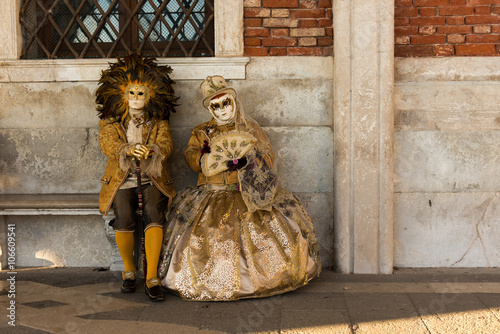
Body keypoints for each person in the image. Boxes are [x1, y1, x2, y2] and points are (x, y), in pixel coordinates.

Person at [158, 75, 321, 301]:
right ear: (210, 109)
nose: (223, 109)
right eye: (216, 105)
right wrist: (206, 159)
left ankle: (258, 280)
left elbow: (268, 156)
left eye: (227, 102)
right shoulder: (201, 132)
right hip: (211, 192)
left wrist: (248, 161)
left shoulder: (250, 128)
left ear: (234, 102)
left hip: (244, 191)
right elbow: (190, 156)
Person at [96, 52, 178, 301]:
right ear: (121, 94)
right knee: (124, 216)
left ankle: (152, 276)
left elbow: (167, 143)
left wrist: (152, 150)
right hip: (122, 178)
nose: (135, 98)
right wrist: (127, 149)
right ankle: (129, 271)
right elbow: (107, 143)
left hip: (151, 177)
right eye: (131, 93)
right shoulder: (111, 122)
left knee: (154, 213)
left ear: (151, 94)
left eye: (140, 93)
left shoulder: (158, 121)